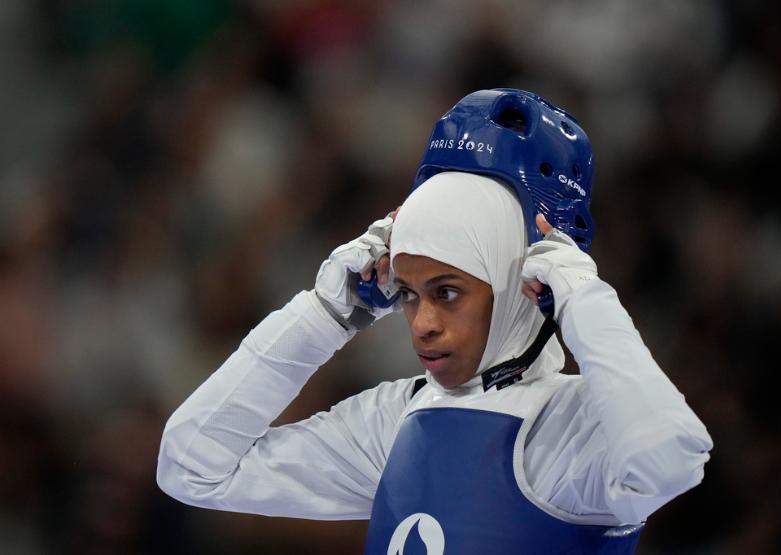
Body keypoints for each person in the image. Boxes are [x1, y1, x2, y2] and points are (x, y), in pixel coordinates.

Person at [157, 89, 713, 554]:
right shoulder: (395, 421)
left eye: (448, 293)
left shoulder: (568, 429)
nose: (422, 323)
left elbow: (669, 461)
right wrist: (321, 316)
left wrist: (586, 303)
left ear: (522, 284)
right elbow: (191, 467)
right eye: (406, 294)